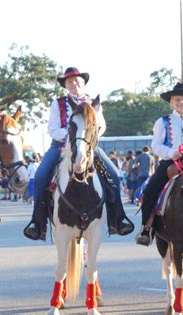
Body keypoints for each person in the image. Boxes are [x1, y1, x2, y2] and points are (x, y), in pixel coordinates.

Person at [23, 67, 134, 241]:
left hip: (89, 146)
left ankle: (118, 218)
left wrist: (88, 137)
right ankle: (37, 223)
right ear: (66, 85)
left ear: (82, 83)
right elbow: (52, 128)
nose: (74, 84)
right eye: (69, 81)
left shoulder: (93, 102)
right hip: (60, 146)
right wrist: (71, 137)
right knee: (40, 177)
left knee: (114, 175)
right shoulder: (58, 103)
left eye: (77, 81)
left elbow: (102, 125)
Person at [135, 82, 183, 246]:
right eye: (177, 99)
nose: (181, 102)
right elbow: (155, 146)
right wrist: (172, 153)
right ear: (172, 101)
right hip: (172, 162)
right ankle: (146, 228)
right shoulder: (163, 121)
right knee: (151, 190)